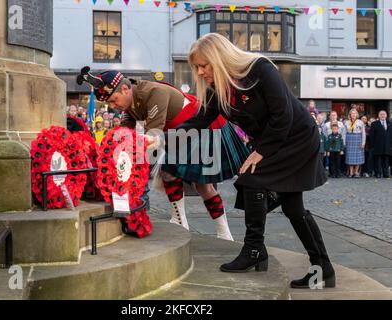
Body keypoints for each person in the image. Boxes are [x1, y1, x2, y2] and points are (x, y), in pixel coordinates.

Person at [175, 33, 334, 289]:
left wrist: (260, 152)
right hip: (273, 141)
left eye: (204, 65)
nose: (201, 71)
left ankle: (254, 250)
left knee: (252, 180)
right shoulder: (219, 90)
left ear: (219, 57)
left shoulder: (259, 69)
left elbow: (283, 114)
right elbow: (200, 120)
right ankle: (322, 269)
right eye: (197, 67)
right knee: (293, 208)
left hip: (296, 138)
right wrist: (162, 139)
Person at [88, 70, 249, 241]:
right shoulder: (129, 106)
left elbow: (153, 136)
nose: (113, 106)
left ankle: (224, 232)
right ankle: (180, 221)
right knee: (167, 173)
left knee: (203, 185)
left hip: (201, 128)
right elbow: (124, 134)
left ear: (126, 89)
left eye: (113, 100)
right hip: (177, 134)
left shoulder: (154, 93)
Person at [343, 108, 366, 178]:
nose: (353, 115)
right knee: (350, 157)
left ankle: (356, 172)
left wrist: (363, 143)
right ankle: (351, 172)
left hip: (358, 139)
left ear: (357, 114)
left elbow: (363, 133)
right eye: (352, 113)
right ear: (350, 114)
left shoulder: (360, 122)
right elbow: (344, 133)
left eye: (354, 113)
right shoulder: (346, 122)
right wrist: (344, 142)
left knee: (358, 157)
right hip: (349, 140)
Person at [370, 110, 392, 178]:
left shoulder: (390, 123)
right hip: (377, 146)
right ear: (378, 116)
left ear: (386, 115)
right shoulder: (374, 123)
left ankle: (386, 174)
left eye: (384, 114)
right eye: (381, 114)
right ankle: (378, 174)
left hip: (387, 146)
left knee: (386, 161)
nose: (382, 115)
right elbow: (372, 135)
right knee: (378, 161)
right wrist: (372, 145)